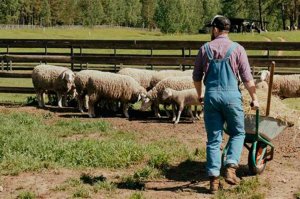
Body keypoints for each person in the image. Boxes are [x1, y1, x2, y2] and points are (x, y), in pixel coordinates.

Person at [193, 15, 259, 194]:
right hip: (232, 97)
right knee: (238, 132)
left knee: (214, 139)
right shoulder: (238, 49)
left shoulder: (204, 49)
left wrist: (200, 95)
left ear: (215, 29)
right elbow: (247, 78)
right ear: (228, 30)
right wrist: (255, 98)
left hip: (211, 97)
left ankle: (213, 180)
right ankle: (230, 167)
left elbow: (196, 77)